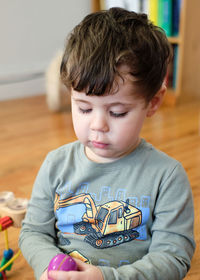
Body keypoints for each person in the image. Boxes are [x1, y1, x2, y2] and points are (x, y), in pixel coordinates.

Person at [19, 7, 195, 280]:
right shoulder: (56, 165)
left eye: (117, 112)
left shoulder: (167, 177)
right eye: (84, 108)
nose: (98, 125)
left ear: (153, 102)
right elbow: (33, 233)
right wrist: (49, 267)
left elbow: (173, 257)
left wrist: (106, 277)